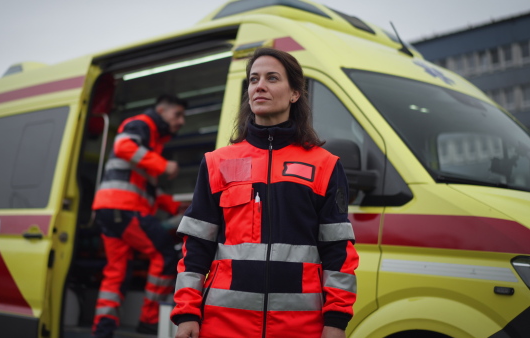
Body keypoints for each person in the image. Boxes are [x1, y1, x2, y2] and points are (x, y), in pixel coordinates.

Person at [171, 48, 359, 338]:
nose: (259, 86)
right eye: (253, 79)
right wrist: (186, 313)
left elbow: (338, 253)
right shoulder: (217, 163)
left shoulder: (325, 165)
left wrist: (335, 322)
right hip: (223, 326)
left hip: (300, 328)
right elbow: (196, 247)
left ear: (295, 93)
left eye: (272, 78)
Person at [92, 94, 187, 337]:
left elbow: (146, 189)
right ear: (161, 111)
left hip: (111, 210)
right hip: (122, 208)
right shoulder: (143, 124)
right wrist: (163, 165)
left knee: (117, 272)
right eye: (177, 115)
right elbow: (123, 146)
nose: (182, 121)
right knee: (165, 253)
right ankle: (148, 321)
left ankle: (103, 330)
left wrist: (175, 205)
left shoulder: (153, 141)